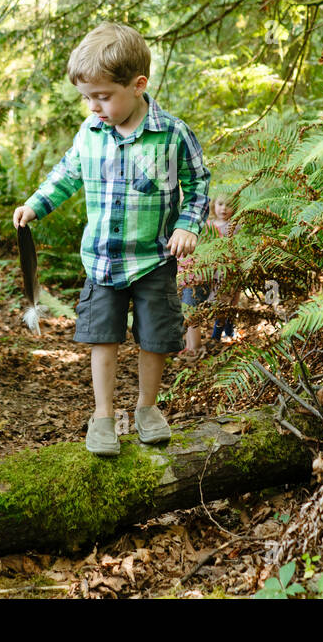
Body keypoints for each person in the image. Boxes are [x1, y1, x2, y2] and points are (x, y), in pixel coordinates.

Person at [13, 22, 210, 457]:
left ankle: (146, 409)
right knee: (103, 339)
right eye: (87, 97)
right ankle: (103, 417)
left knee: (155, 339)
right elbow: (65, 175)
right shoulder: (91, 133)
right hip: (102, 262)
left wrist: (187, 225)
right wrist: (36, 205)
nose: (94, 106)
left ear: (138, 85)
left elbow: (198, 184)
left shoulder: (171, 134)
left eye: (103, 96)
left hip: (154, 259)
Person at [177, 190, 238, 361]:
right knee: (188, 313)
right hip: (186, 276)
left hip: (199, 277)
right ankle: (190, 346)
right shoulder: (180, 225)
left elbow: (216, 249)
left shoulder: (206, 226)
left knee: (193, 313)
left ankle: (197, 347)